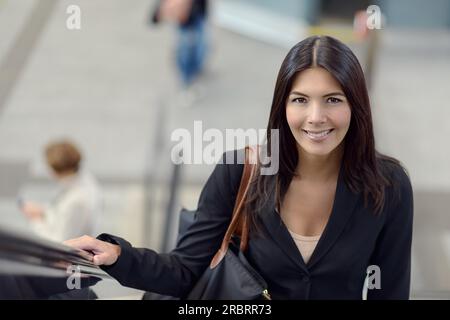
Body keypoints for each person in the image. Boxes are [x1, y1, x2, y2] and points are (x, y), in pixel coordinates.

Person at [64, 36, 414, 299]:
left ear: (357, 107)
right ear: (283, 106)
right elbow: (186, 269)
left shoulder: (388, 185)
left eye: (333, 100)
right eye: (300, 100)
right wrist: (117, 255)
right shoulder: (241, 170)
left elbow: (391, 290)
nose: (316, 117)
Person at [21, 140, 102, 242]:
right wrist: (44, 212)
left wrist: (36, 220)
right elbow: (63, 214)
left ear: (55, 169)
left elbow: (60, 243)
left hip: (66, 254)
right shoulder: (86, 182)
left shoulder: (77, 199)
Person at [152, 0, 209, 107]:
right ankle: (186, 85)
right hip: (186, 20)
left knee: (200, 46)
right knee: (186, 52)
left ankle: (195, 71)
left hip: (197, 14)